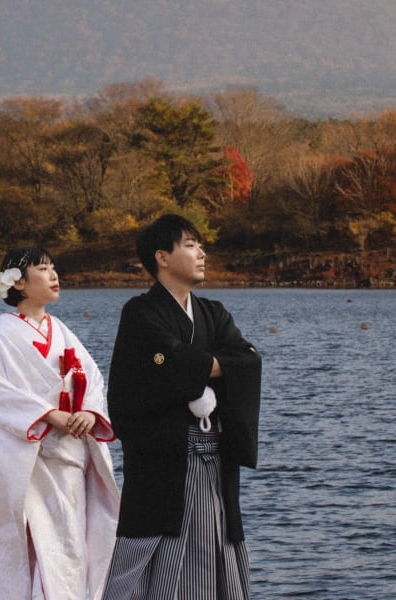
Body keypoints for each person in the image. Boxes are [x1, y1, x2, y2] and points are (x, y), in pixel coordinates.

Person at [101, 214, 262, 600]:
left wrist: (197, 367)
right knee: (152, 557)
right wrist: (212, 367)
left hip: (215, 457)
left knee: (217, 545)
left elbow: (249, 359)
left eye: (200, 244)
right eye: (190, 245)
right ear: (163, 257)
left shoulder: (214, 312)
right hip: (165, 459)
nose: (202, 252)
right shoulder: (140, 313)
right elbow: (168, 362)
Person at [0, 245, 120, 600]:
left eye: (53, 267)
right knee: (41, 546)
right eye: (43, 269)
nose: (54, 274)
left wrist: (88, 412)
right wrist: (47, 415)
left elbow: (92, 377)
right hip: (32, 461)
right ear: (21, 285)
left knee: (73, 545)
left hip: (72, 457)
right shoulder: (1, 336)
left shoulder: (61, 330)